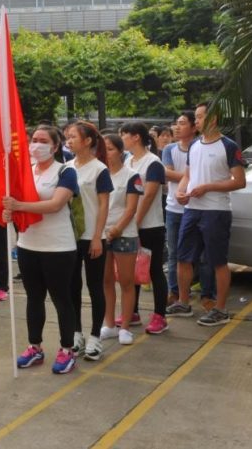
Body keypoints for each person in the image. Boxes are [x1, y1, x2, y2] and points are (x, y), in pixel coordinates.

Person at [3, 125, 80, 374]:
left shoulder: (66, 171)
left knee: (61, 299)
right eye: (33, 139)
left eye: (43, 140)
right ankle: (34, 346)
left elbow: (56, 204)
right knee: (34, 298)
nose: (36, 144)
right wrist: (9, 211)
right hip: (28, 244)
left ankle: (67, 349)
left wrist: (19, 205)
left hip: (58, 247)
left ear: (56, 146)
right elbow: (13, 204)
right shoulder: (26, 173)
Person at [169, 102, 247, 326]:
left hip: (216, 211)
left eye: (200, 117)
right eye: (196, 117)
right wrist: (182, 191)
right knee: (183, 258)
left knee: (218, 262)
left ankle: (220, 309)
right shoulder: (194, 146)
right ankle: (183, 302)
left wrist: (208, 187)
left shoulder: (228, 146)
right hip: (192, 209)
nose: (197, 121)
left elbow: (240, 181)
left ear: (213, 119)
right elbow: (188, 174)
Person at [67, 121, 113, 360]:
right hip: (70, 238)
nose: (69, 140)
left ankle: (95, 337)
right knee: (72, 286)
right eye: (68, 136)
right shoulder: (66, 168)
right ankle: (77, 333)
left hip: (92, 237)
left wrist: (97, 236)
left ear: (87, 141)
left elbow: (104, 204)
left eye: (73, 136)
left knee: (95, 287)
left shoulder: (99, 169)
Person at [120, 121, 169, 335]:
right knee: (131, 271)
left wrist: (135, 222)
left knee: (154, 270)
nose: (121, 138)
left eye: (124, 135)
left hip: (150, 226)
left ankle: (160, 316)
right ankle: (133, 312)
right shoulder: (128, 161)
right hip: (130, 224)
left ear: (136, 137)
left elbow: (148, 195)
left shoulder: (153, 163)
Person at [163, 112, 215, 310]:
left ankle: (207, 294)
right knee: (174, 254)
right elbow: (166, 172)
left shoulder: (200, 148)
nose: (177, 127)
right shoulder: (169, 149)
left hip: (198, 207)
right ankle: (175, 292)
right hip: (174, 208)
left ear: (194, 127)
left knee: (204, 256)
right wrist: (194, 178)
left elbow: (174, 174)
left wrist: (189, 179)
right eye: (176, 123)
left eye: (182, 123)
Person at [99, 133, 141, 346]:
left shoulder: (131, 176)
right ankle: (109, 324)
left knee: (125, 282)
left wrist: (116, 229)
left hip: (124, 234)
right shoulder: (100, 174)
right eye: (103, 149)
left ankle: (124, 326)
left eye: (110, 149)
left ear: (120, 151)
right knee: (106, 281)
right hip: (101, 234)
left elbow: (131, 208)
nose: (106, 153)